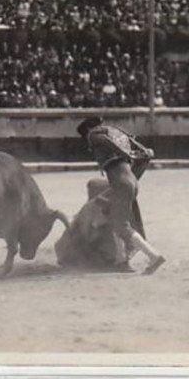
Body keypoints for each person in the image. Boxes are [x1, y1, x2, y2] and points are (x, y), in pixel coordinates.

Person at [76, 115, 165, 274]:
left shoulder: (94, 134)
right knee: (107, 211)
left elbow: (103, 140)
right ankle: (121, 260)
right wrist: (132, 153)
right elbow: (146, 154)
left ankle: (154, 256)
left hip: (120, 184)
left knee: (120, 225)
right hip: (132, 181)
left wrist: (125, 154)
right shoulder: (118, 132)